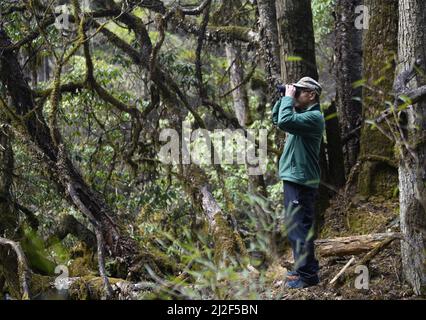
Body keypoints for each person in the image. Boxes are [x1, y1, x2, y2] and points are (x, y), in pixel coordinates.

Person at [272, 77, 325, 289]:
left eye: (300, 91)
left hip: (301, 179)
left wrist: (288, 98)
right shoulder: (302, 115)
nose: (296, 94)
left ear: (311, 95)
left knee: (298, 228)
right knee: (297, 226)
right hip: (296, 177)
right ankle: (305, 268)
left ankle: (307, 276)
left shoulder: (313, 117)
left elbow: (285, 121)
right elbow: (278, 119)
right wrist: (284, 97)